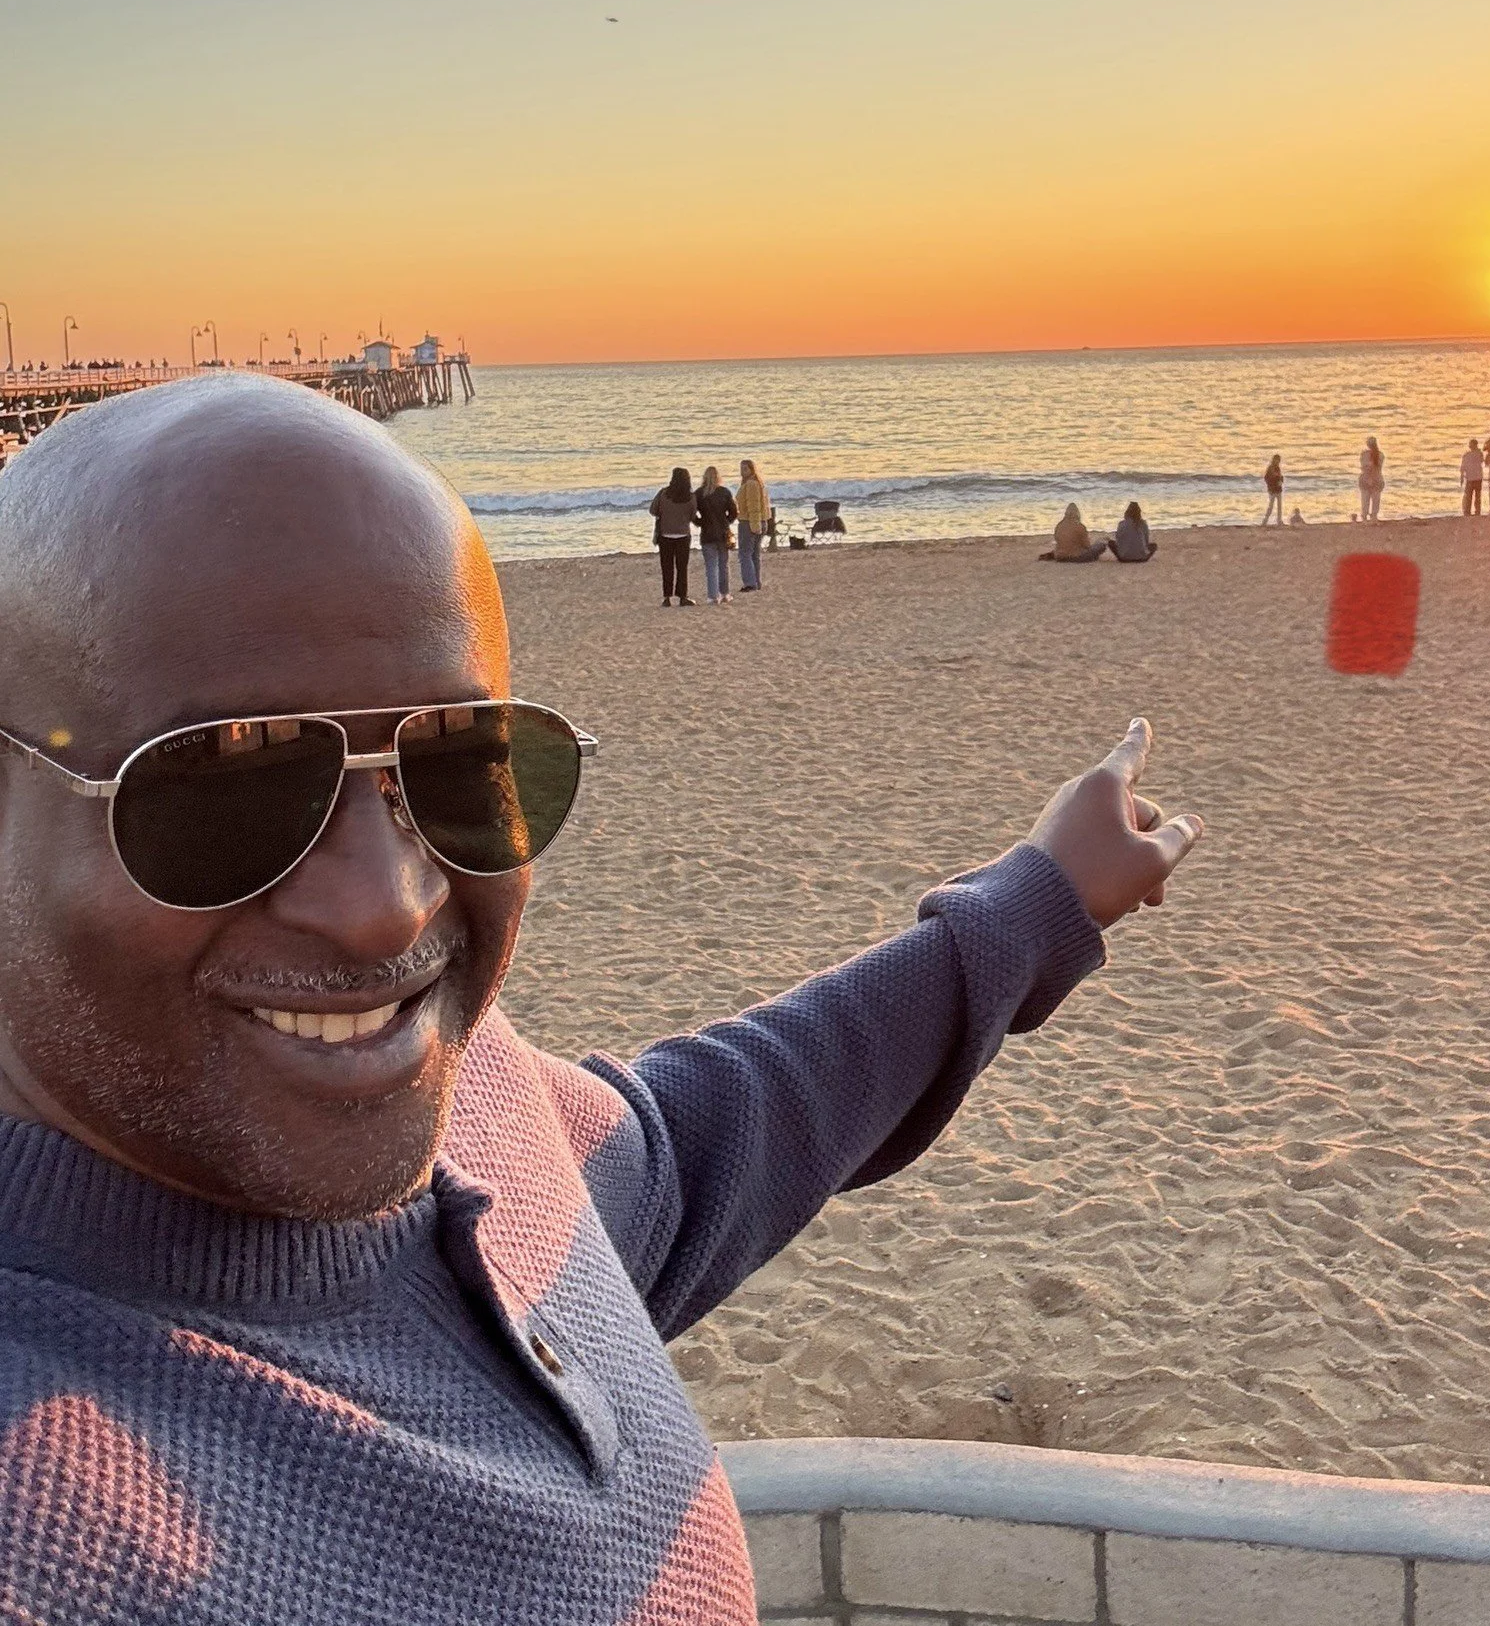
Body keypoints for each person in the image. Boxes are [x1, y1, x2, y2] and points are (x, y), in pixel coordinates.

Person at [0, 376, 1203, 1623]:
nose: (387, 903)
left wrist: (1038, 905)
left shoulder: (455, 1100)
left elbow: (692, 1150)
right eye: (224, 783)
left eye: (460, 761)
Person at [649, 465, 698, 606]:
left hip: (665, 534)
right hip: (683, 534)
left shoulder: (664, 493)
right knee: (682, 567)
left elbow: (653, 510)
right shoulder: (690, 497)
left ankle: (667, 598)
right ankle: (683, 596)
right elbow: (692, 515)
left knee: (667, 567)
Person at [696, 465, 737, 604]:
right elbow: (734, 512)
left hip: (707, 532)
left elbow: (691, 512)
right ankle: (725, 593)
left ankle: (713, 596)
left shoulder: (699, 493)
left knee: (711, 566)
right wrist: (727, 522)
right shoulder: (724, 492)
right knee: (723, 564)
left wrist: (700, 522)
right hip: (722, 532)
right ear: (718, 477)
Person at [734, 457, 769, 592]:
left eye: (745, 468)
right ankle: (756, 582)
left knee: (745, 554)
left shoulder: (751, 484)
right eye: (741, 469)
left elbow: (754, 506)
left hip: (749, 522)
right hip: (757, 521)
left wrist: (755, 525)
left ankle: (750, 583)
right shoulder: (756, 483)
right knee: (754, 554)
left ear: (751, 469)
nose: (742, 471)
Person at [1358, 436, 1385, 522]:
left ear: (1368, 444)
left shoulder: (1364, 454)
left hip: (1366, 479)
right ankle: (1374, 517)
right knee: (1375, 499)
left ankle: (1365, 517)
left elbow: (1364, 467)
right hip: (1377, 479)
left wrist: (1369, 477)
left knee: (1365, 499)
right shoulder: (1380, 455)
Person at [1460, 436, 1485, 516]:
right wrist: (1462, 477)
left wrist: (1462, 476)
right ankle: (1470, 511)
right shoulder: (1469, 454)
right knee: (1471, 495)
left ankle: (1474, 511)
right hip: (1472, 477)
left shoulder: (1476, 454)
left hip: (1475, 477)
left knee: (1475, 495)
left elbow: (1463, 467)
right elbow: (1463, 467)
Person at [1261, 455, 1284, 527]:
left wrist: (1281, 481)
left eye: (1278, 460)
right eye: (1276, 460)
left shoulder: (1278, 468)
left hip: (1278, 489)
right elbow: (1266, 478)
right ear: (1274, 460)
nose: (1277, 461)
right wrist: (1270, 486)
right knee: (1270, 507)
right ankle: (1264, 521)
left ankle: (1279, 521)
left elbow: (1280, 477)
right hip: (1272, 490)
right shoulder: (1270, 468)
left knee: (1279, 506)